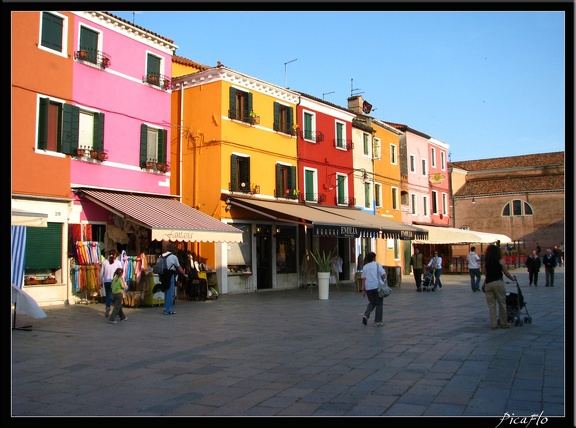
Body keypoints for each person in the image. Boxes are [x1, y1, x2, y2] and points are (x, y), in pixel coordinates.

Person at [483, 244, 516, 330]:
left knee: (491, 305)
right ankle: (503, 322)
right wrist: (512, 278)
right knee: (502, 303)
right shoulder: (500, 261)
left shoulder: (486, 262)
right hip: (498, 282)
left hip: (488, 283)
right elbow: (506, 272)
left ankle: (493, 324)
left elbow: (485, 273)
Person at [360, 252, 386, 327]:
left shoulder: (365, 267)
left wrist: (363, 289)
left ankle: (366, 315)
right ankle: (377, 321)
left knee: (372, 302)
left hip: (369, 287)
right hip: (377, 286)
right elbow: (383, 275)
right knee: (379, 303)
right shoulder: (378, 265)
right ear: (374, 258)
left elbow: (363, 279)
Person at [162, 243, 188, 315]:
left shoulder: (162, 255)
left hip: (163, 275)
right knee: (170, 292)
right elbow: (178, 267)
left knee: (166, 291)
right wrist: (184, 274)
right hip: (170, 274)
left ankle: (165, 308)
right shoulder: (173, 257)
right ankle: (168, 310)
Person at [99, 249, 122, 318]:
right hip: (115, 282)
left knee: (109, 296)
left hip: (106, 281)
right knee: (116, 297)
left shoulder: (105, 262)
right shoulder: (118, 262)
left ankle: (108, 307)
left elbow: (101, 273)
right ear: (115, 255)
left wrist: (100, 281)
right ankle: (116, 311)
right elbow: (121, 273)